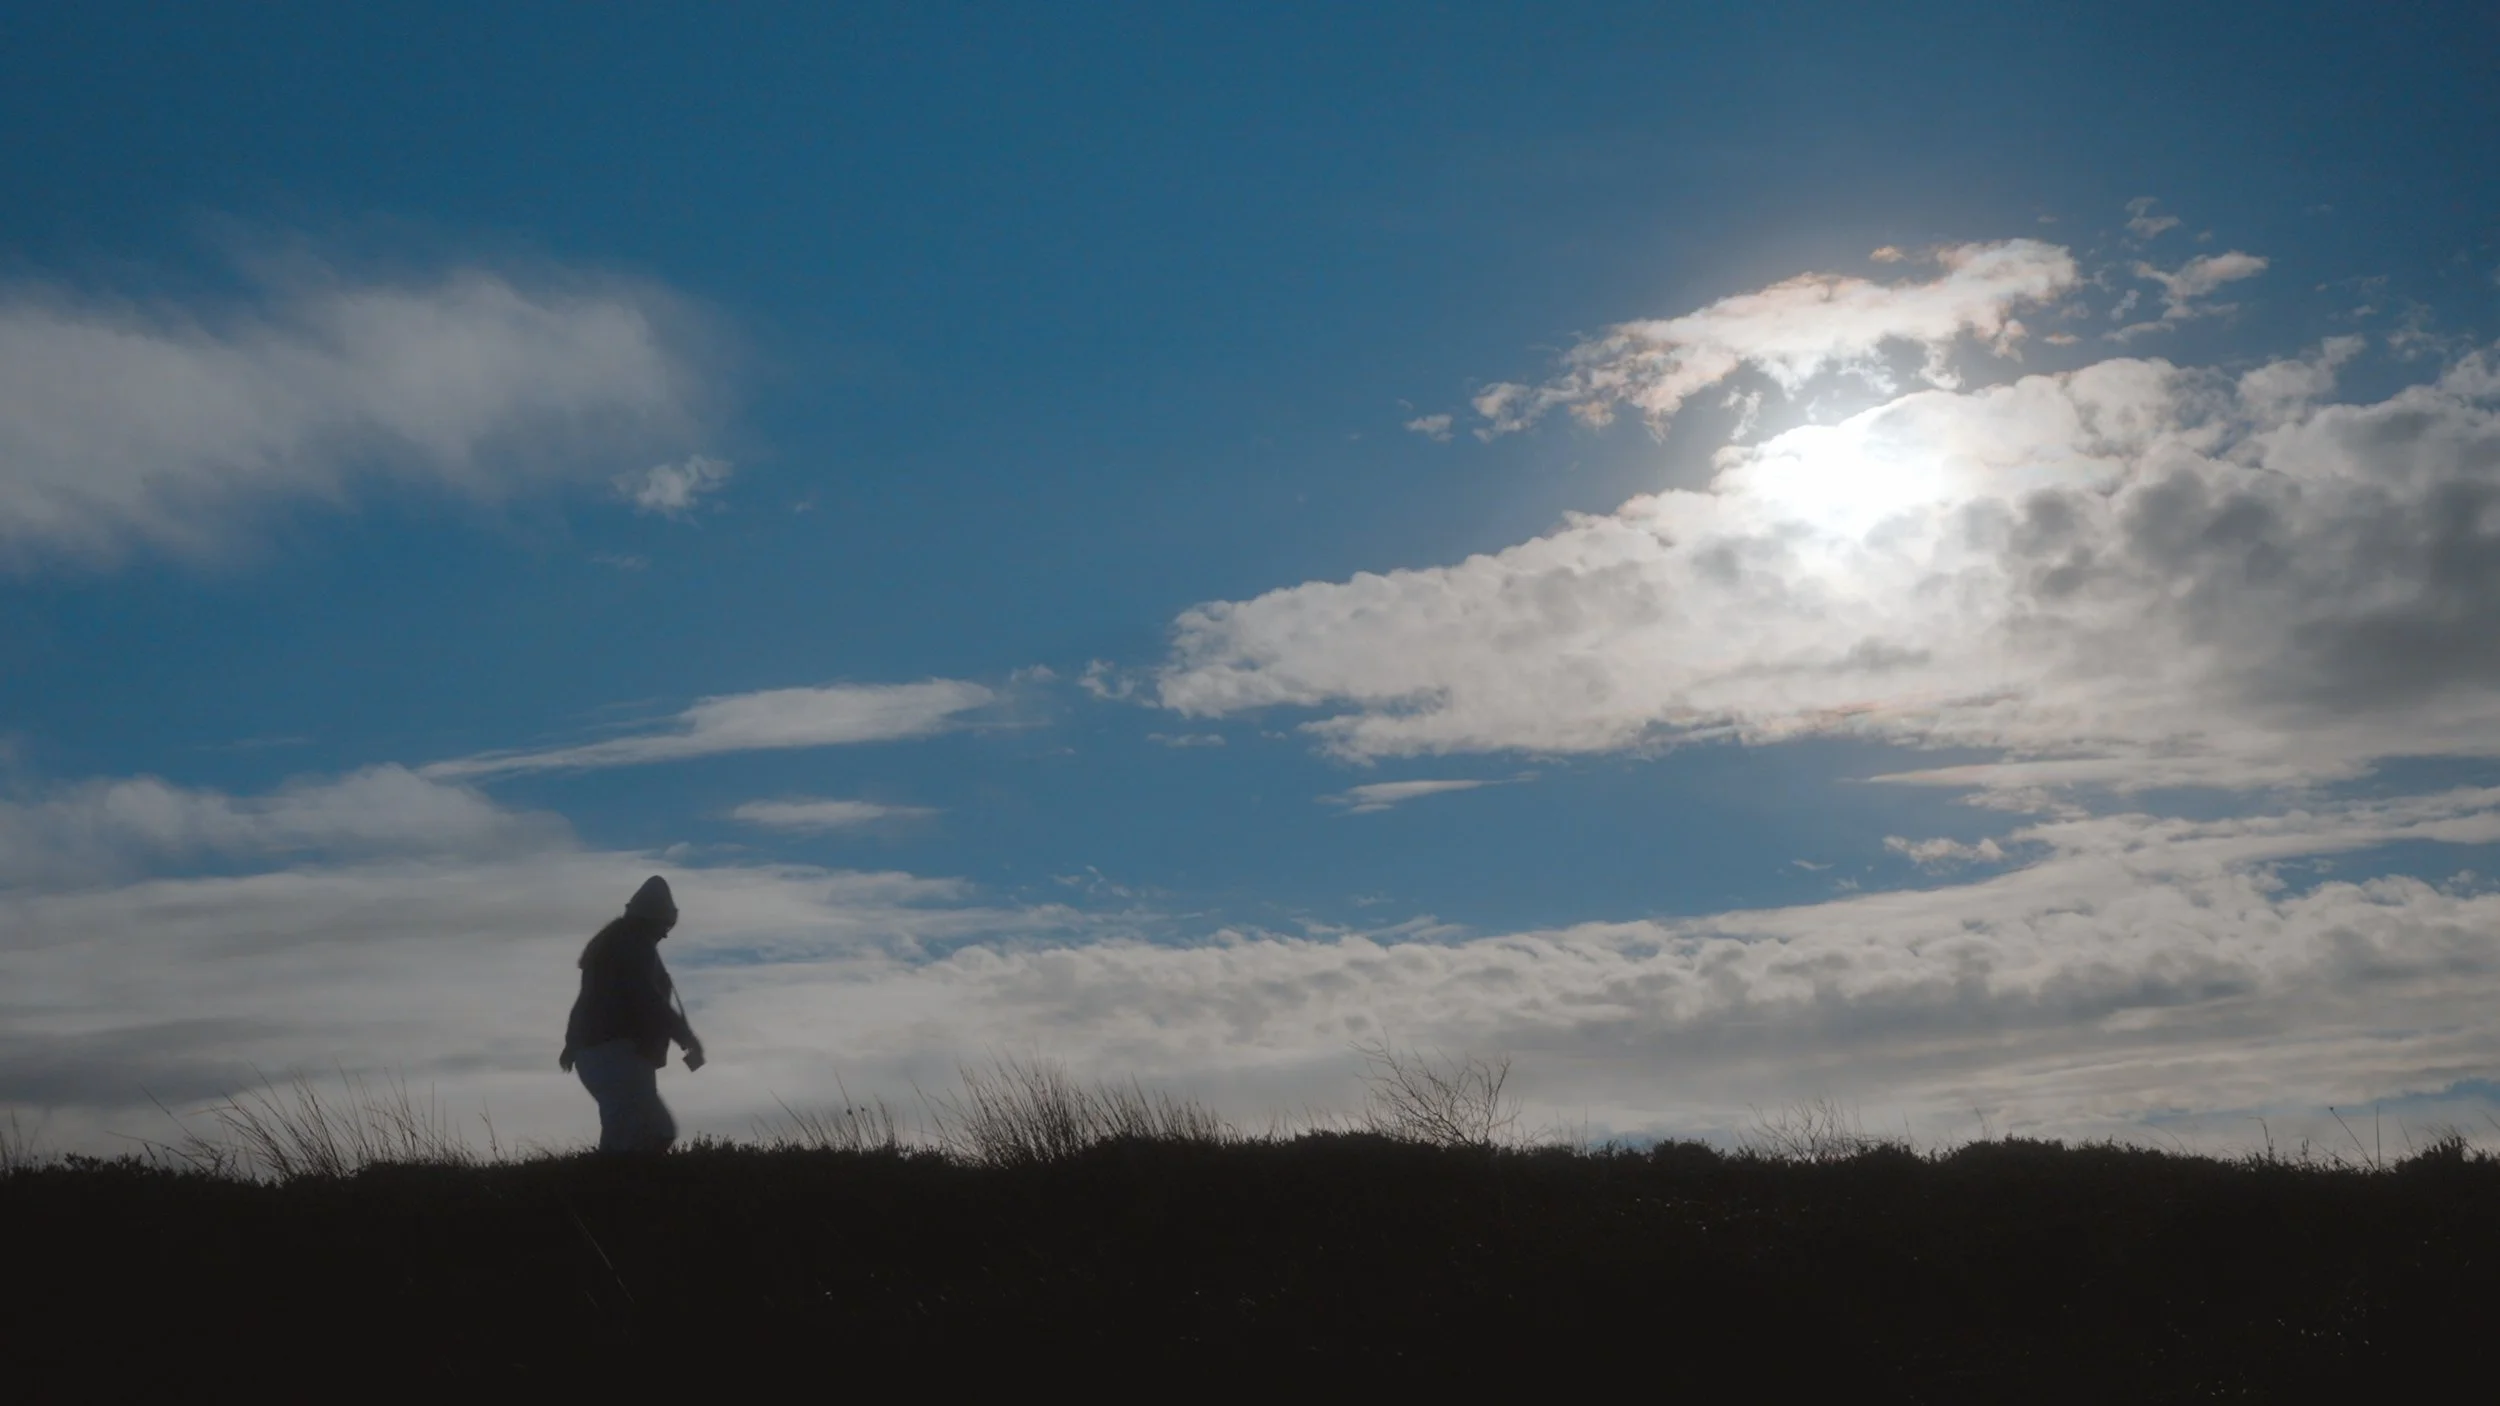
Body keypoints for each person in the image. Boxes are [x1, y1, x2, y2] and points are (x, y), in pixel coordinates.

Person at [559, 874, 706, 1153]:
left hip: (605, 1055)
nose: (666, 933)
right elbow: (648, 999)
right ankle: (620, 1191)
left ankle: (612, 1190)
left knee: (630, 1135)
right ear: (652, 919)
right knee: (650, 1132)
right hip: (617, 1054)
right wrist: (687, 1038)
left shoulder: (616, 944)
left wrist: (572, 1044)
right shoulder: (633, 946)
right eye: (665, 924)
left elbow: (588, 1000)